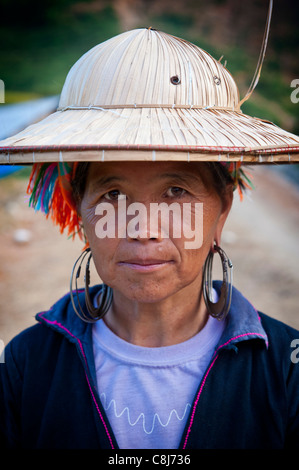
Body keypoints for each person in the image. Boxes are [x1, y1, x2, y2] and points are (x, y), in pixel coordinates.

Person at [0, 27, 299, 450]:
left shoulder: (287, 365)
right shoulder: (24, 364)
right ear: (81, 211)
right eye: (113, 195)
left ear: (222, 210)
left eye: (176, 192)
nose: (143, 229)